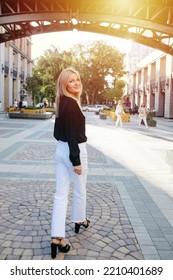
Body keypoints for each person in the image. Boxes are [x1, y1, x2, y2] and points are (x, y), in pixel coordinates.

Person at [51, 68, 90, 259]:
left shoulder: (61, 102)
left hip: (60, 150)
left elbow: (58, 133)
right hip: (75, 151)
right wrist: (76, 160)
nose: (76, 83)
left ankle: (57, 236)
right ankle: (79, 219)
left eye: (77, 79)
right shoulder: (72, 104)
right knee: (80, 189)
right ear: (64, 84)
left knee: (60, 194)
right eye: (71, 81)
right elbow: (73, 134)